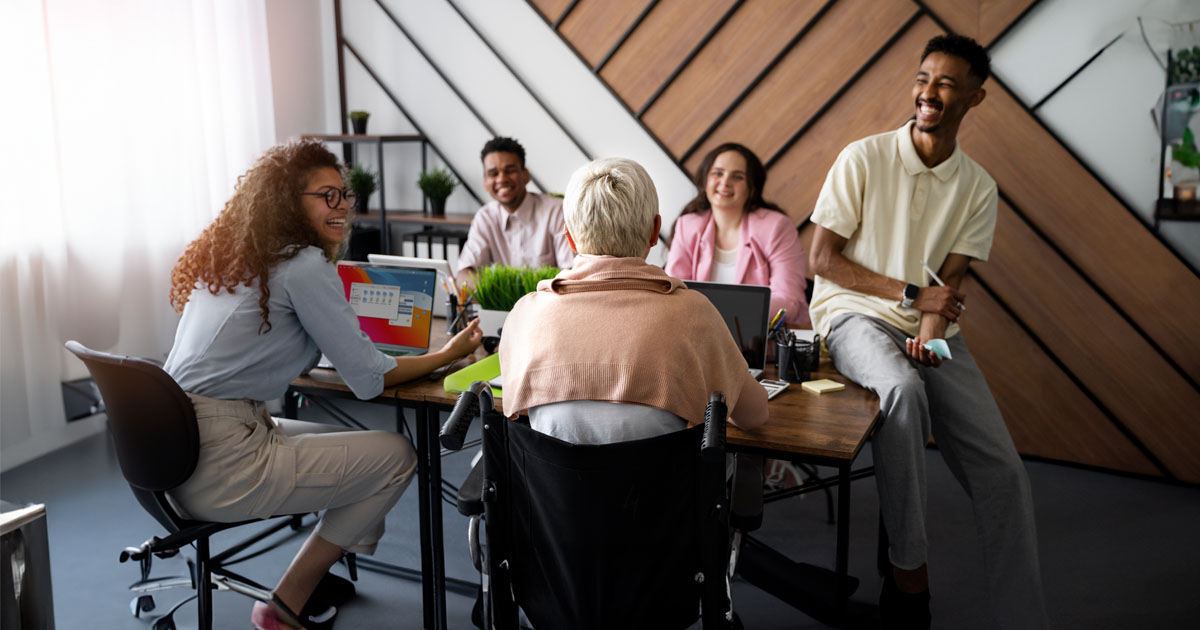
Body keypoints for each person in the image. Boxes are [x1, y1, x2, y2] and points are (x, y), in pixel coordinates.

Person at [163, 139, 482, 630]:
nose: (341, 207)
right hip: (223, 459)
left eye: (344, 194)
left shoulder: (235, 255)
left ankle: (328, 566)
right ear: (289, 202)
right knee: (396, 456)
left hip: (181, 447)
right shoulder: (303, 265)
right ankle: (287, 602)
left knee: (356, 449)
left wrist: (339, 345)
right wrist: (447, 355)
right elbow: (370, 381)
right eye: (325, 196)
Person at [807, 35, 1047, 629]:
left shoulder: (978, 188)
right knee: (903, 392)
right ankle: (909, 576)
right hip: (851, 314)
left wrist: (933, 335)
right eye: (922, 79)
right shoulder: (862, 157)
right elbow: (821, 260)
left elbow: (951, 283)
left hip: (929, 329)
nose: (928, 92)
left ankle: (1024, 618)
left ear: (975, 97)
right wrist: (911, 296)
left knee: (1004, 473)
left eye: (944, 83)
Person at [499, 157, 768, 444]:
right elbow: (754, 416)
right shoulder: (694, 313)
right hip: (663, 488)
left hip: (548, 488)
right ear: (655, 231)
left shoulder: (525, 315)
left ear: (570, 239)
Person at [665, 142, 809, 326]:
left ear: (752, 187)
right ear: (705, 179)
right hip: (700, 337)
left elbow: (789, 300)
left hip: (763, 342)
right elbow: (672, 292)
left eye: (737, 177)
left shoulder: (776, 227)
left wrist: (731, 316)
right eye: (717, 173)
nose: (725, 182)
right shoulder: (687, 225)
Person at [455, 136, 575, 288]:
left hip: (547, 309)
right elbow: (464, 275)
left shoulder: (556, 212)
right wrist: (500, 296)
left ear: (525, 175)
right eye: (493, 173)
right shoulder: (485, 217)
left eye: (510, 171)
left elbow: (570, 275)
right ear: (485, 181)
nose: (502, 179)